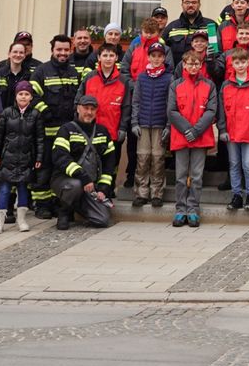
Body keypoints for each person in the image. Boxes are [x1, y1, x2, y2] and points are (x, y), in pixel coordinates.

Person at [29, 34, 80, 219]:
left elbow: (78, 99)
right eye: (59, 49)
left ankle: (58, 203)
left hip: (67, 134)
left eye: (66, 50)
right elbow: (31, 96)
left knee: (62, 170)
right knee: (43, 169)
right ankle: (42, 206)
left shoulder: (74, 73)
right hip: (45, 133)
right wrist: (45, 112)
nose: (63, 53)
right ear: (52, 50)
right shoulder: (41, 71)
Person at [167, 48, 218, 229]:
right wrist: (187, 129)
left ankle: (193, 209)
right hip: (181, 136)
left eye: (196, 63)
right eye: (190, 63)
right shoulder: (176, 85)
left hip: (200, 137)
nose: (193, 66)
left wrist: (196, 130)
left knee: (196, 176)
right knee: (181, 176)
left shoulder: (209, 85)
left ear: (201, 65)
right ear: (184, 65)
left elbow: (211, 110)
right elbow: (172, 110)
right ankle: (180, 209)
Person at [50, 94, 114, 231]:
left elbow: (109, 164)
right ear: (78, 108)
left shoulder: (103, 132)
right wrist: (82, 176)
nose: (89, 112)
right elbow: (60, 158)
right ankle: (64, 211)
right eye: (86, 108)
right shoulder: (66, 130)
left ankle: (77, 204)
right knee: (75, 185)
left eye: (92, 109)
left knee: (102, 220)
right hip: (66, 180)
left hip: (91, 186)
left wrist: (103, 188)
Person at [219, 49, 249, 213]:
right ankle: (236, 195)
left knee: (248, 164)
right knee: (234, 164)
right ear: (232, 64)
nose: (240, 65)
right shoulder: (226, 85)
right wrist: (222, 128)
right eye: (237, 63)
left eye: (243, 62)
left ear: (248, 63)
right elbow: (221, 110)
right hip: (231, 132)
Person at [0, 81, 43, 233]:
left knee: (23, 189)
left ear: (31, 97)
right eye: (21, 94)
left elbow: (39, 139)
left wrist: (38, 158)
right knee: (5, 189)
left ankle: (22, 220)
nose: (23, 97)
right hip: (8, 159)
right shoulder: (7, 113)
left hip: (26, 159)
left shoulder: (35, 115)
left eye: (27, 94)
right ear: (16, 96)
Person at [79, 44, 131, 196]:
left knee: (111, 165)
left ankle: (108, 193)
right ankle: (89, 195)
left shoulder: (123, 80)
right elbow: (78, 100)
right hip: (90, 130)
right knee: (90, 162)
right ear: (98, 58)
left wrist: (122, 128)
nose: (108, 59)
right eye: (105, 55)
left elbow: (126, 107)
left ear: (116, 58)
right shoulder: (90, 77)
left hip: (112, 130)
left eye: (111, 55)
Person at [130, 41, 172, 207]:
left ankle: (157, 193)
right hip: (143, 123)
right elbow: (136, 101)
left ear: (163, 58)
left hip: (160, 124)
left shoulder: (169, 78)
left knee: (158, 159)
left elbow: (171, 104)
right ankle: (141, 192)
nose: (156, 59)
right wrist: (134, 122)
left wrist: (168, 125)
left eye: (159, 56)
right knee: (143, 158)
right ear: (148, 57)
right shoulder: (142, 77)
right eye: (153, 56)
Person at [165, 0, 218, 64]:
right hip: (178, 73)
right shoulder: (172, 27)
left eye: (194, 2)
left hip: (205, 73)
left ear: (199, 5)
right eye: (187, 2)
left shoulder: (211, 26)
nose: (190, 5)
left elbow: (217, 52)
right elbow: (163, 52)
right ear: (182, 5)